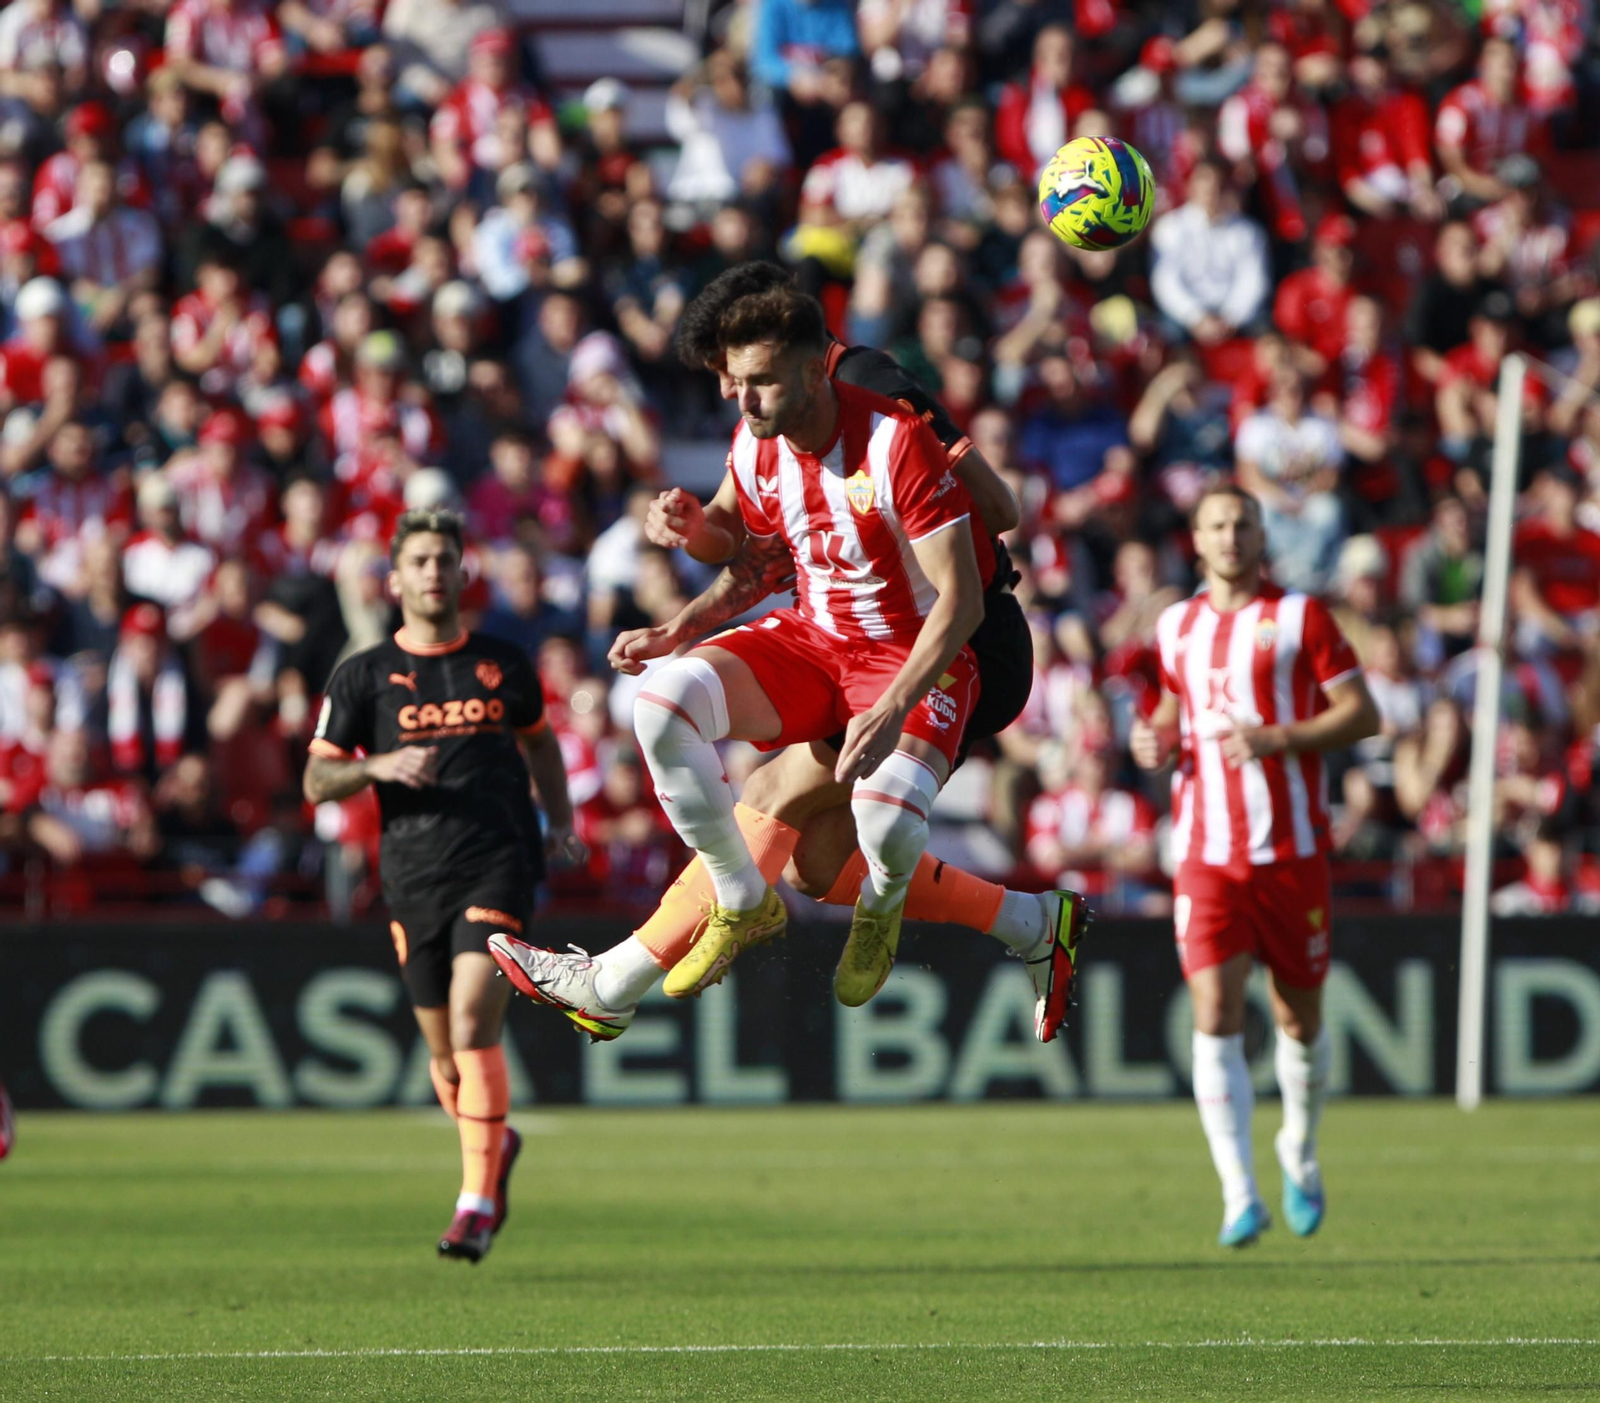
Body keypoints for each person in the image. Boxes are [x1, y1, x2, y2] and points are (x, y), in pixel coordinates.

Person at [490, 264, 1084, 1046]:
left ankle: (615, 979)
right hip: (834, 640)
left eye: (745, 372)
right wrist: (686, 583)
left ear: (802, 358)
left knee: (789, 800)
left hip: (952, 640)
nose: (734, 393)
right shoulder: (763, 433)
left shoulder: (878, 400)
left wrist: (903, 665)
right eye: (727, 376)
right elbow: (752, 550)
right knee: (809, 860)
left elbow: (996, 512)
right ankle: (1032, 922)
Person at [302, 507, 583, 1264]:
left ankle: (475, 1203)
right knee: (449, 1058)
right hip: (412, 874)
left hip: (498, 860)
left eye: (444, 559)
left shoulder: (502, 661)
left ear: (463, 574)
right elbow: (317, 779)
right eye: (419, 560)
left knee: (470, 1019)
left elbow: (540, 743)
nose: (433, 571)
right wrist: (377, 765)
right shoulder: (362, 676)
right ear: (394, 581)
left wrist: (559, 818)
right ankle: (495, 1144)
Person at [1131, 483, 1378, 1248]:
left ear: (1261, 535)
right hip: (1205, 853)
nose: (1230, 536)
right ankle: (1239, 1192)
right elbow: (1169, 709)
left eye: (1242, 524)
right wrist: (1152, 738)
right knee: (1214, 1011)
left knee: (1298, 1019)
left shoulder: (1300, 617)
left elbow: (1363, 713)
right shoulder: (1175, 626)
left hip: (1291, 851)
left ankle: (1298, 1147)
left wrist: (1280, 737)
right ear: (1197, 539)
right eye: (1217, 525)